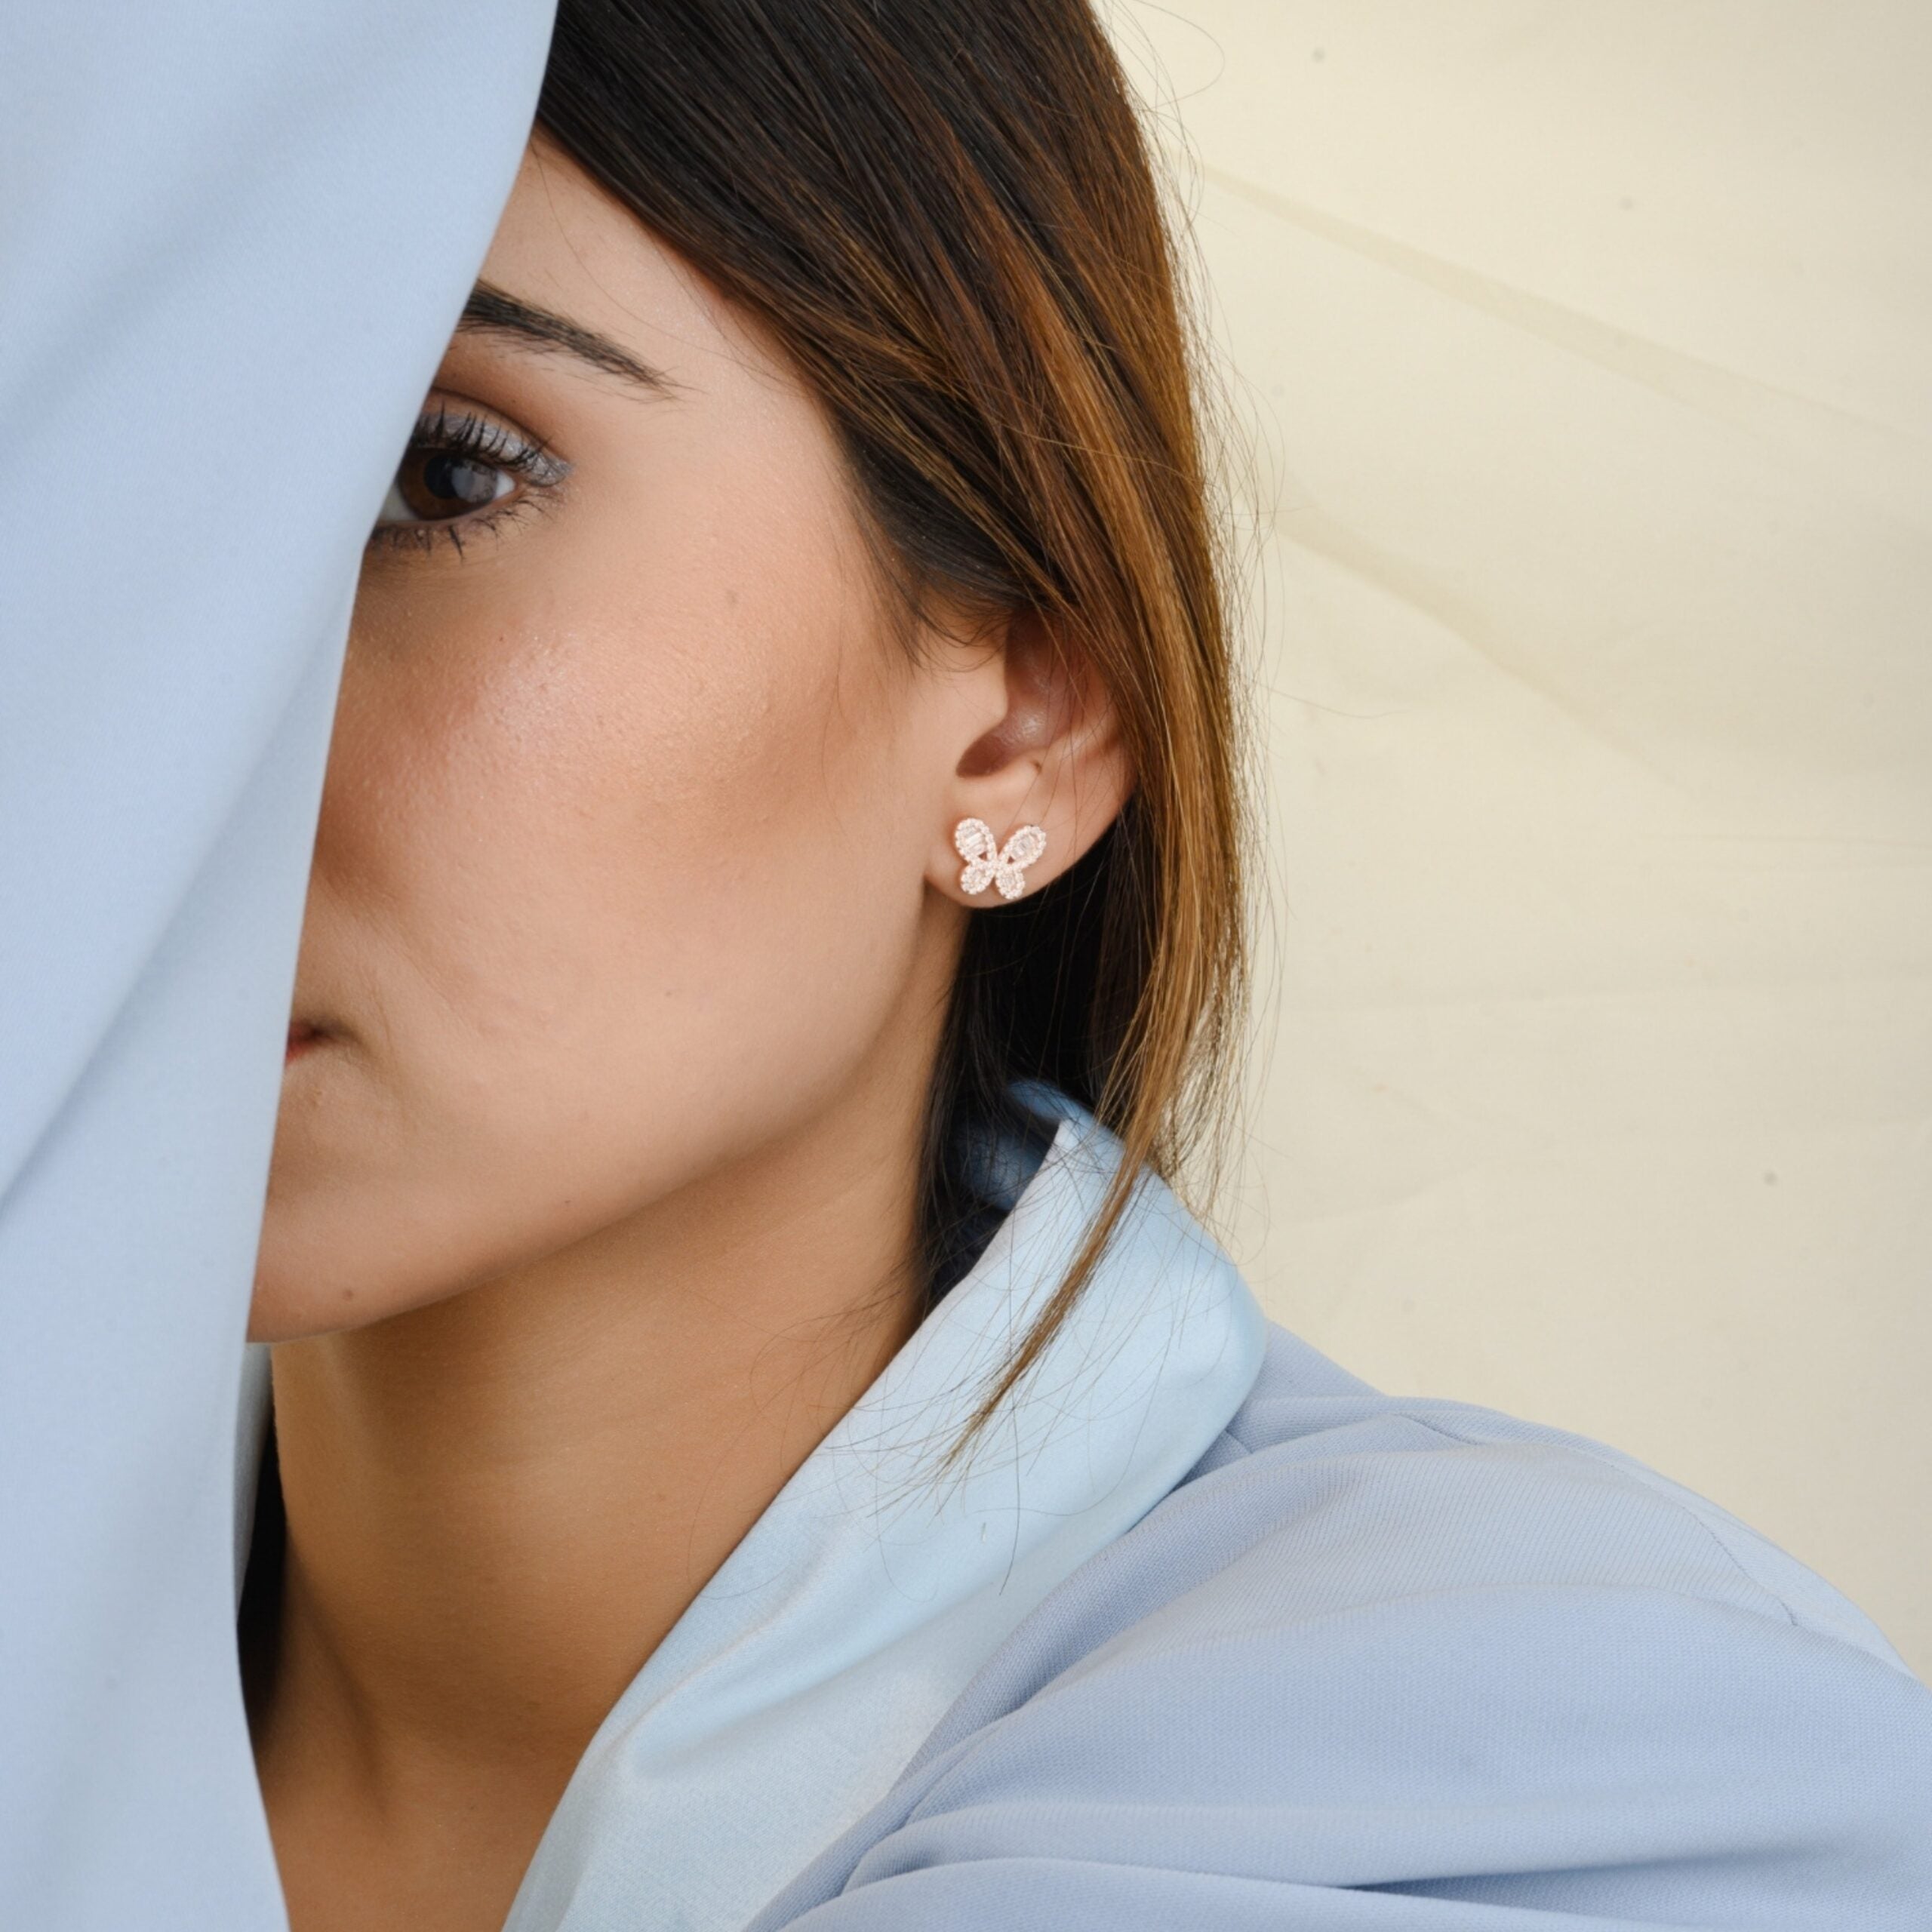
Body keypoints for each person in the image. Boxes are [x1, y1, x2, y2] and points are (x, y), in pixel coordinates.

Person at [10, 6, 1932, 1932]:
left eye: (442, 477)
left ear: (1021, 714)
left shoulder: (1571, 1778)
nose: (163, 726)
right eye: (101, 514)